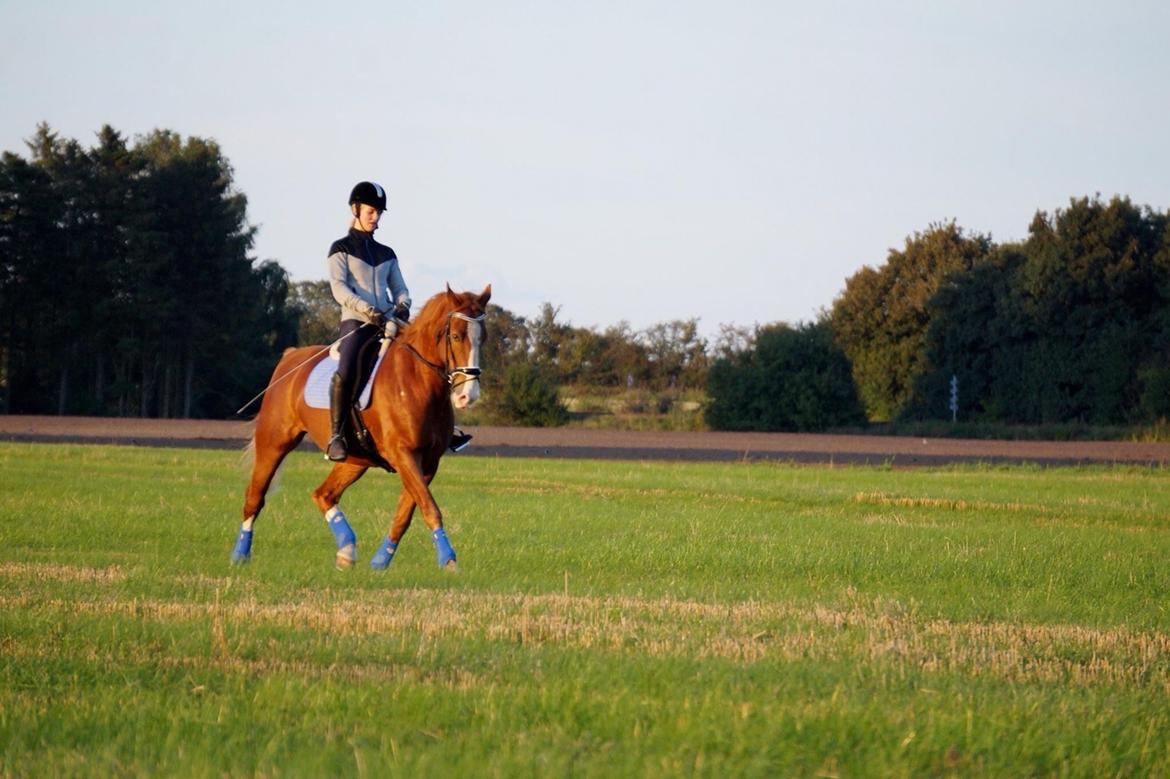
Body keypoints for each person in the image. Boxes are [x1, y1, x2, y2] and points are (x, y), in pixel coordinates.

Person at [325, 181, 472, 461]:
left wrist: (403, 304)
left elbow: (400, 288)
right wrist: (367, 309)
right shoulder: (340, 248)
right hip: (357, 323)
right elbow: (339, 288)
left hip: (390, 322)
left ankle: (446, 428)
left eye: (379, 212)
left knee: (431, 362)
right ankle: (336, 435)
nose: (375, 217)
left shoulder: (387, 253)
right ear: (356, 209)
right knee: (346, 369)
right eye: (371, 211)